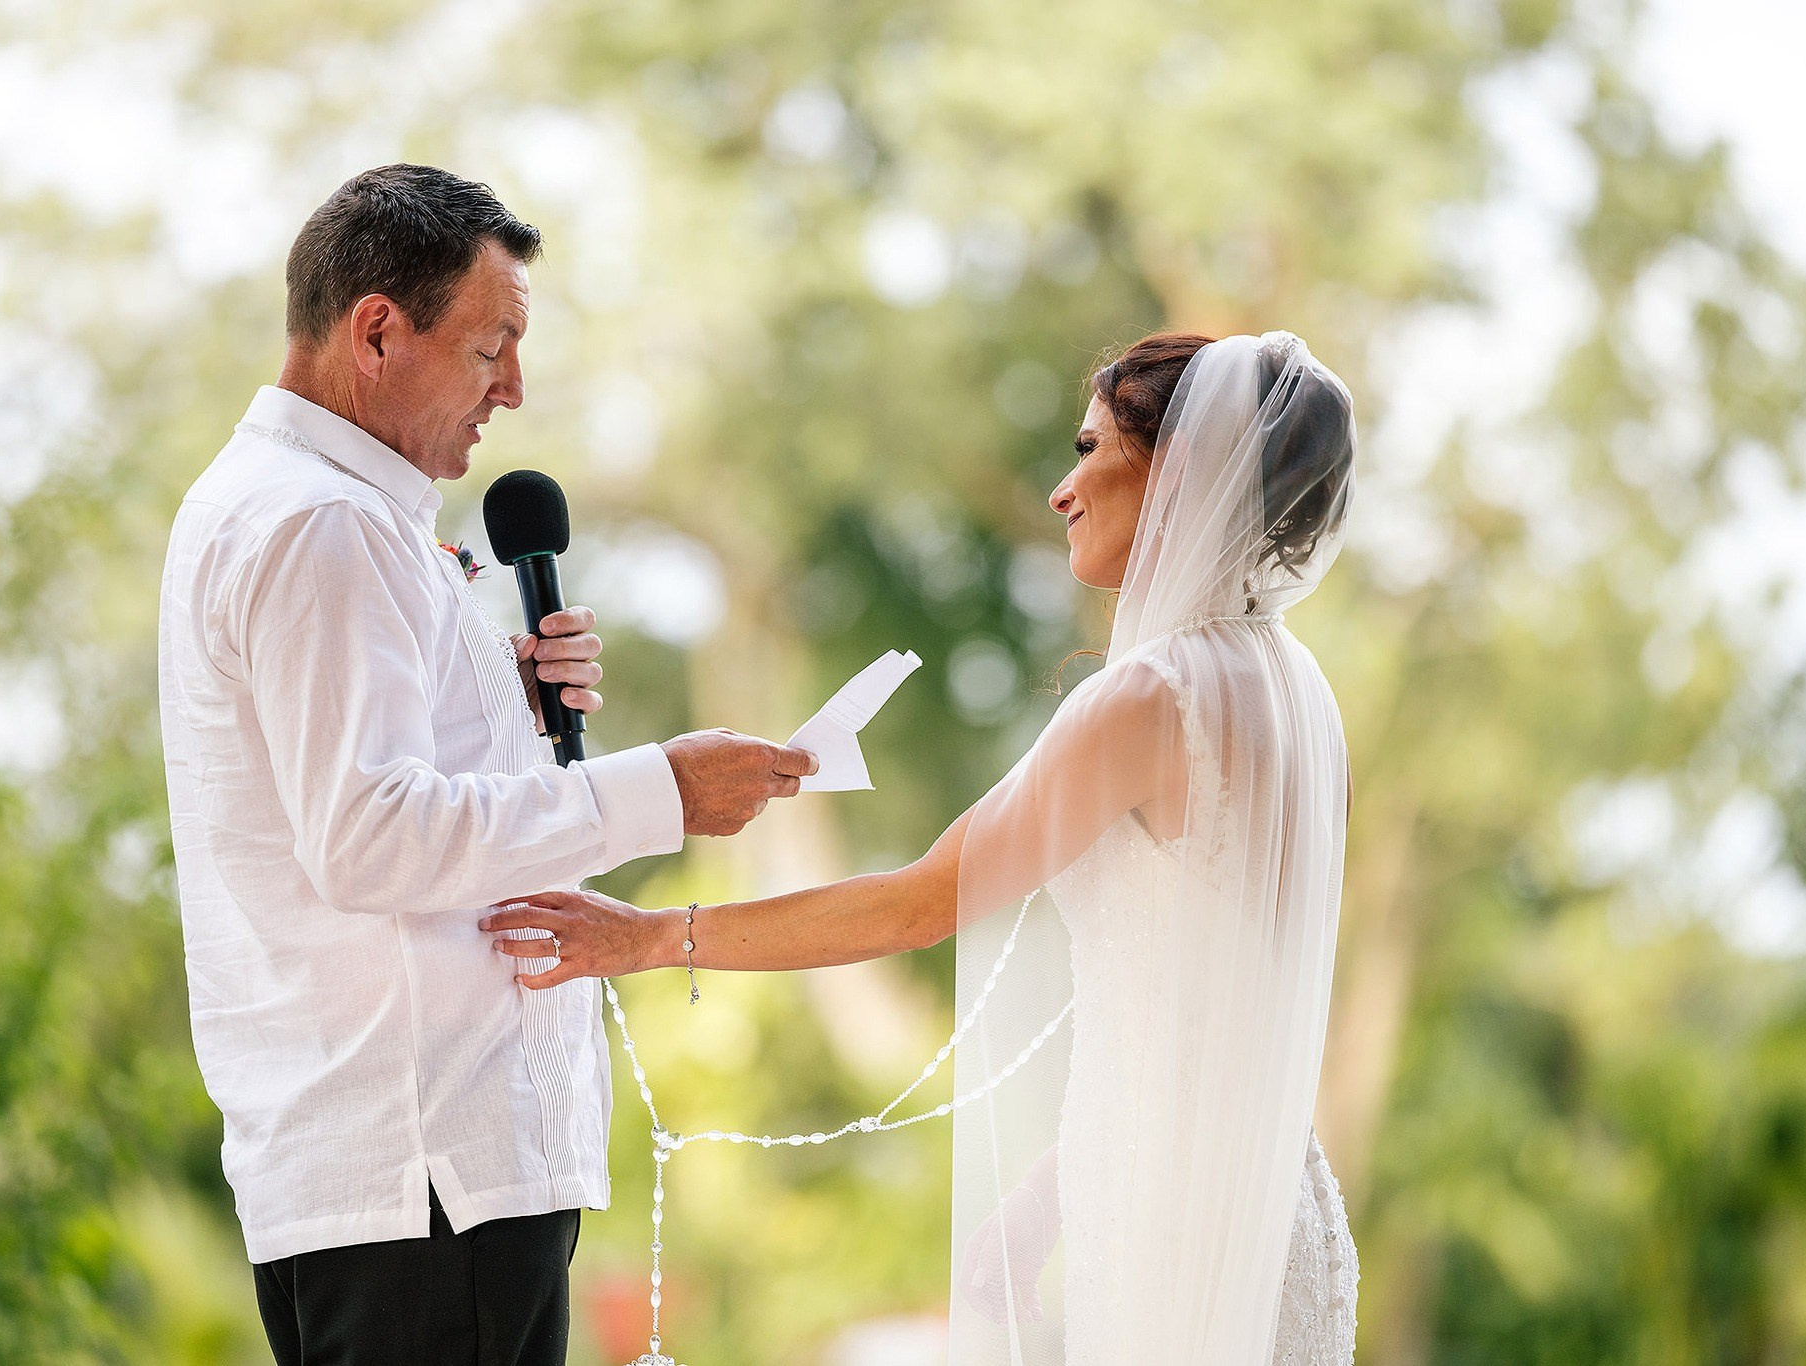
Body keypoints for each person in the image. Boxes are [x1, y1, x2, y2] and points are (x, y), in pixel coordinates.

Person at [482, 329, 1362, 1362]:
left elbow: (919, 900)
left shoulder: (1151, 695)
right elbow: (1197, 1017)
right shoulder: (1295, 697)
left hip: (1170, 1235)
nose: (1060, 490)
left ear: (1177, 468)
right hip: (1272, 1212)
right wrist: (1041, 1203)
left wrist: (646, 936)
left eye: (1087, 449)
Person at [156, 163, 817, 1366]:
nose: (513, 388)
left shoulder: (295, 503)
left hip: (410, 1180)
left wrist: (492, 701)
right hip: (425, 1183)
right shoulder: (324, 522)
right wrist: (660, 788)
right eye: (490, 347)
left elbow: (353, 782)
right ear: (376, 330)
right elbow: (369, 836)